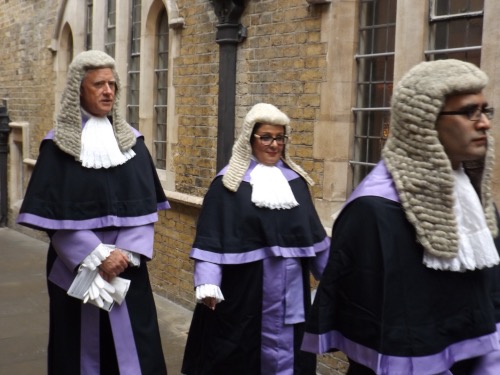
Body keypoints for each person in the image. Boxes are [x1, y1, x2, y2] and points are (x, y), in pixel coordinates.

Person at [301, 59, 500, 374]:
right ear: (423, 123)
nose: (484, 124)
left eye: (485, 111)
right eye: (468, 112)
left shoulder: (477, 204)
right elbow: (385, 330)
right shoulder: (374, 212)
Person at [17, 50, 169, 374]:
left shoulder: (134, 144)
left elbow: (144, 209)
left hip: (128, 266)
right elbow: (53, 217)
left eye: (112, 84)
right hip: (76, 267)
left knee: (133, 350)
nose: (108, 91)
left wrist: (122, 254)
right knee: (78, 350)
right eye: (98, 84)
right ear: (78, 90)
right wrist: (97, 255)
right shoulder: (56, 147)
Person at [181, 103, 331, 374]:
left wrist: (335, 276)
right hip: (244, 294)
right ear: (250, 139)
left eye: (280, 137)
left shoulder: (296, 182)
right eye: (266, 137)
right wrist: (207, 281)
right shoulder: (227, 184)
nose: (274, 145)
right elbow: (211, 238)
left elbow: (314, 237)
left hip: (291, 296)